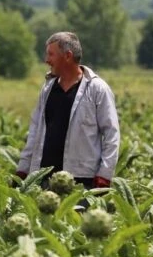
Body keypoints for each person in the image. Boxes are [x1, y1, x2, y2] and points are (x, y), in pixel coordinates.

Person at [15, 31, 120, 193]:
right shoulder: (48, 89)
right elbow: (35, 132)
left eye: (51, 54)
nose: (46, 60)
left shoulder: (97, 89)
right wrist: (23, 169)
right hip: (44, 179)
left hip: (82, 180)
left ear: (68, 56)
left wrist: (105, 175)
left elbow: (111, 135)